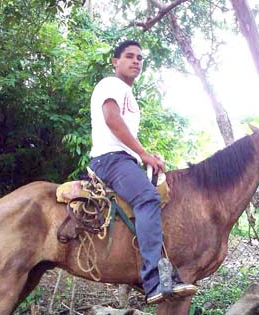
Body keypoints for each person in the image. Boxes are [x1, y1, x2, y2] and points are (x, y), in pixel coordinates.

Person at [88, 40, 196, 304]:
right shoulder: (111, 85)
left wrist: (145, 156)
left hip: (122, 159)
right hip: (110, 160)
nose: (136, 61)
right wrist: (143, 154)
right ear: (115, 61)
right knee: (148, 198)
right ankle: (154, 281)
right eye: (129, 56)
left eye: (139, 58)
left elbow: (123, 134)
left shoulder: (129, 95)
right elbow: (112, 120)